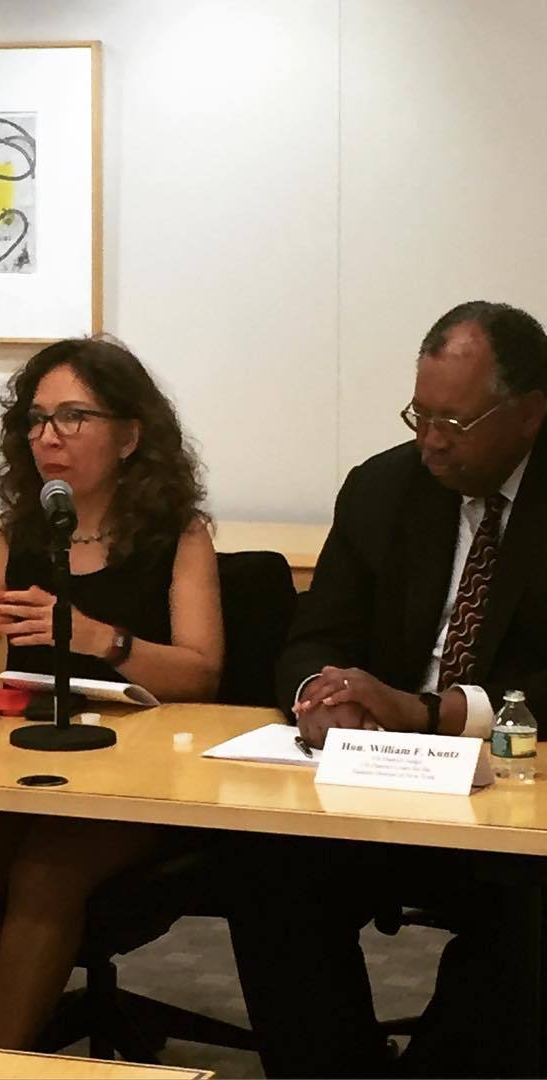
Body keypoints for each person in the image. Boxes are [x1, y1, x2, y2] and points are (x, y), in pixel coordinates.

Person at [225, 300, 547, 1078]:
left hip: (518, 792)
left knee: (528, 917)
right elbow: (314, 633)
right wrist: (321, 694)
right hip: (384, 779)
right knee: (266, 865)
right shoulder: (383, 486)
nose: (431, 441)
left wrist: (435, 712)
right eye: (419, 415)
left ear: (531, 413)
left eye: (455, 422)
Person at [0, 337, 224, 1049]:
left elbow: (202, 673)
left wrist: (102, 640)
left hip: (139, 770)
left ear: (130, 436)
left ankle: (0, 1062)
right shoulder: (21, 533)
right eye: (36, 420)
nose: (48, 437)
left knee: (45, 871)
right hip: (27, 757)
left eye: (73, 417)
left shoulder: (178, 535)